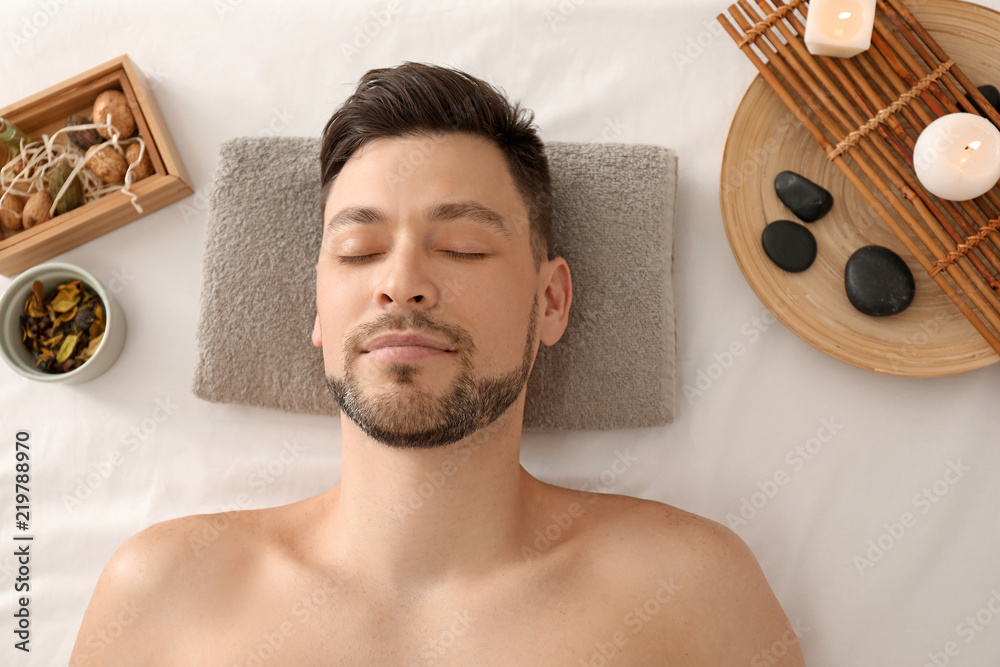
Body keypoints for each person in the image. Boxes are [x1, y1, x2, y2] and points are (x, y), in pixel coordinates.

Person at [70, 62, 805, 666]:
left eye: (463, 248)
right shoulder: (164, 591)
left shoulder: (689, 590)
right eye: (359, 251)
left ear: (551, 301)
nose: (402, 282)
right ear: (319, 310)